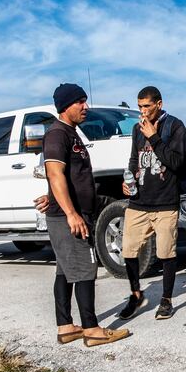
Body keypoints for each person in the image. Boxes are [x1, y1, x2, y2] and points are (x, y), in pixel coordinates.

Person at [44, 83, 130, 347]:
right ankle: (92, 330)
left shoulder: (70, 133)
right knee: (84, 269)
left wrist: (53, 198)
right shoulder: (58, 134)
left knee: (65, 271)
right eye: (80, 101)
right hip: (70, 217)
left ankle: (66, 326)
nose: (86, 106)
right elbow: (55, 173)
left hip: (68, 212)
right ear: (65, 106)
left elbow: (66, 177)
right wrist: (71, 213)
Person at [117, 86, 186, 321]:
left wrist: (154, 137)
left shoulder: (174, 126)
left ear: (159, 104)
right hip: (139, 201)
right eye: (139, 107)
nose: (143, 111)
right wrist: (128, 180)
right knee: (127, 250)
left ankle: (166, 299)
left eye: (147, 106)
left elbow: (177, 162)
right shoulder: (138, 128)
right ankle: (136, 294)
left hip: (165, 202)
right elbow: (134, 159)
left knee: (166, 252)